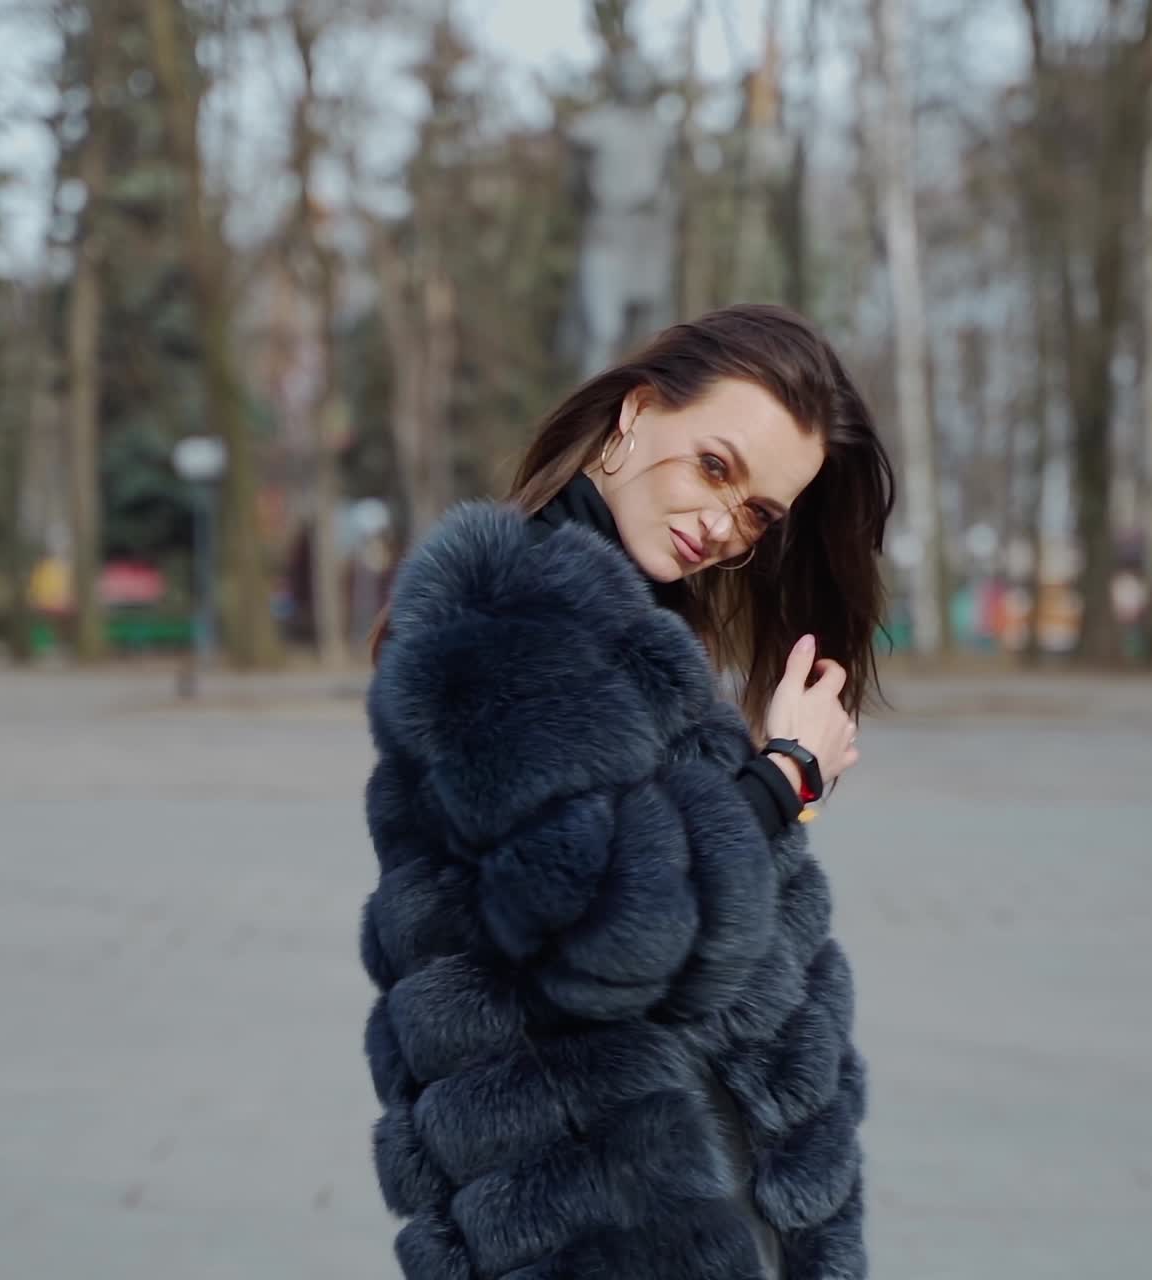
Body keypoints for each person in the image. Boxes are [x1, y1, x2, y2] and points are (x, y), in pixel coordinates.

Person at [360, 303, 894, 1280]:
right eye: (715, 466)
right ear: (634, 415)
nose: (721, 524)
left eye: (757, 514)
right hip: (594, 1210)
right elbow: (617, 921)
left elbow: (672, 871)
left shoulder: (624, 628)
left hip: (671, 1194)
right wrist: (783, 777)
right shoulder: (503, 613)